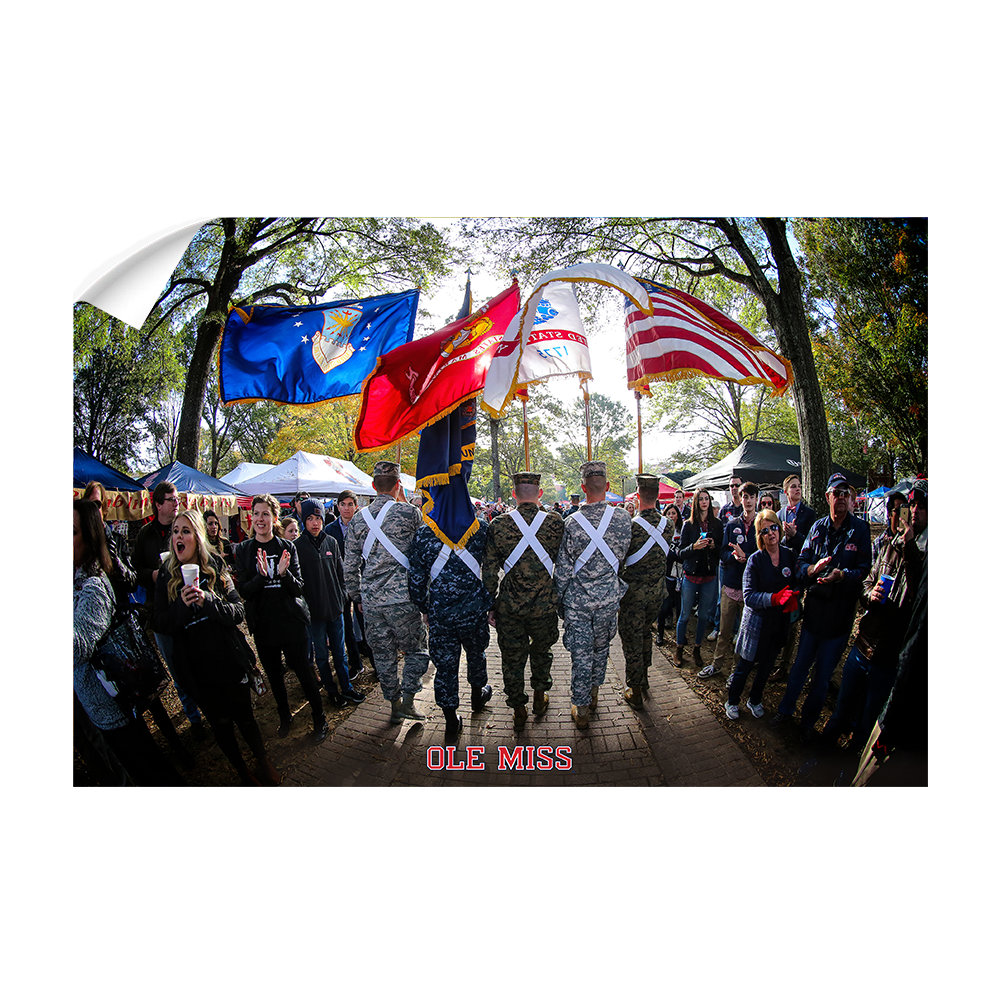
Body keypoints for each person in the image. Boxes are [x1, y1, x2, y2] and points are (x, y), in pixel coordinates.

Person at [153, 509, 281, 785]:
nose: (179, 536)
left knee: (245, 718)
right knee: (221, 726)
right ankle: (241, 771)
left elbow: (237, 612)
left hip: (228, 660)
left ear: (197, 536)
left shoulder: (215, 566)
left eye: (186, 530)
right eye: (175, 531)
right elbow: (160, 623)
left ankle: (262, 759)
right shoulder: (166, 575)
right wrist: (181, 606)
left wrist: (208, 601)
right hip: (195, 669)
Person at [73, 499, 183, 786]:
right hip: (96, 705)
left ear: (89, 537)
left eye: (70, 532)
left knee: (150, 771)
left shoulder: (93, 585)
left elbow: (78, 648)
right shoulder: (73, 580)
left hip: (114, 699)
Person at [822, 481, 927, 753]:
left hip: (888, 659)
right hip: (862, 648)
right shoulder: (887, 547)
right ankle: (821, 756)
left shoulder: (922, 556)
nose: (909, 514)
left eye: (920, 507)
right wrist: (871, 594)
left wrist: (910, 546)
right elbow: (866, 583)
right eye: (901, 509)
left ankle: (848, 772)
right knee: (841, 709)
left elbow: (917, 600)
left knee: (867, 723)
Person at [769, 473, 873, 742]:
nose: (841, 498)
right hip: (814, 614)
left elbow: (864, 570)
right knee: (800, 666)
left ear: (850, 499)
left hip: (839, 618)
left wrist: (842, 575)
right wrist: (812, 569)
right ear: (827, 497)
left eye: (845, 494)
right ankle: (786, 710)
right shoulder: (817, 528)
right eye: (835, 493)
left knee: (822, 676)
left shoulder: (860, 530)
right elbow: (802, 562)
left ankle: (808, 723)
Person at [233, 494, 328, 744]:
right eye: (256, 514)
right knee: (275, 677)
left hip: (291, 623)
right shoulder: (243, 550)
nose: (260, 519)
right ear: (250, 517)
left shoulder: (287, 547)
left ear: (274, 517)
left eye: (265, 513)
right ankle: (285, 716)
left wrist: (283, 575)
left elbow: (298, 588)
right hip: (264, 626)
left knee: (305, 674)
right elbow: (243, 590)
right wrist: (262, 577)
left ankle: (320, 720)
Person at [343, 462, 429, 725]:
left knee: (383, 655)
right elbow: (422, 554)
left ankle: (393, 706)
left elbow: (349, 566)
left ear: (372, 486)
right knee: (416, 651)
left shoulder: (358, 518)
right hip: (404, 600)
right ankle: (408, 701)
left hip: (371, 601)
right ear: (398, 485)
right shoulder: (410, 513)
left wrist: (357, 596)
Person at [482, 471, 565, 731]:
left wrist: (491, 605)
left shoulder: (498, 524)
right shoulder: (555, 523)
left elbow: (489, 570)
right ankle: (540, 698)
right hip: (544, 606)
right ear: (539, 494)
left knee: (512, 659)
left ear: (514, 494)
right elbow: (563, 566)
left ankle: (518, 709)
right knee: (542, 653)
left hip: (510, 607)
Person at [553, 461, 633, 729]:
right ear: (608, 487)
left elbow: (563, 570)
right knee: (601, 649)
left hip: (579, 602)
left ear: (583, 487)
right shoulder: (623, 519)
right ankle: (595, 694)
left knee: (581, 654)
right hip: (609, 598)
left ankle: (582, 707)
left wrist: (559, 602)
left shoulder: (572, 524)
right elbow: (622, 558)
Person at [408, 508, 492, 742]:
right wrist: (490, 602)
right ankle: (477, 695)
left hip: (441, 614)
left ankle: (451, 720)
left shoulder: (424, 534)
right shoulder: (479, 529)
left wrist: (425, 608)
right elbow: (493, 568)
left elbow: (415, 580)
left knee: (444, 667)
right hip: (474, 611)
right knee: (476, 654)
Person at [131, 481, 207, 739]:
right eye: (171, 499)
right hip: (161, 611)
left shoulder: (187, 528)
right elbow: (134, 571)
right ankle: (194, 719)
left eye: (177, 499)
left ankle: (212, 708)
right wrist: (152, 575)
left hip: (192, 606)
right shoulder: (145, 535)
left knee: (199, 659)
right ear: (158, 504)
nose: (176, 503)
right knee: (177, 668)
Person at [722, 509, 799, 720]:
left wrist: (795, 596)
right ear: (760, 536)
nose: (771, 533)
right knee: (745, 666)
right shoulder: (755, 560)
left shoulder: (789, 556)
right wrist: (773, 598)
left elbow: (797, 581)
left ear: (780, 529)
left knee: (766, 667)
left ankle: (754, 699)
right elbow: (749, 596)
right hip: (756, 625)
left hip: (778, 624)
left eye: (774, 527)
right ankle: (733, 700)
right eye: (765, 531)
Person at [294, 498, 364, 709]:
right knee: (322, 658)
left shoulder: (331, 542)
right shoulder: (296, 547)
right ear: (303, 520)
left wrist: (343, 598)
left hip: (336, 610)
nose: (315, 523)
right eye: (310, 518)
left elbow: (341, 575)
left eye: (318, 518)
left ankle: (347, 687)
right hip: (314, 615)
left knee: (340, 653)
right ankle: (332, 692)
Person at [620, 474, 670, 710]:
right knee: (646, 634)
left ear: (637, 496)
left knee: (632, 640)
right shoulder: (668, 525)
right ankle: (645, 677)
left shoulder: (630, 528)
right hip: (658, 594)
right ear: (658, 495)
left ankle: (635, 689)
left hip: (633, 597)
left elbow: (620, 562)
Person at [703, 482, 760, 679]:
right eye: (745, 497)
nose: (748, 500)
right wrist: (734, 557)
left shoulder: (762, 524)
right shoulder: (733, 524)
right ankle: (716, 664)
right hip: (730, 585)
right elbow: (723, 552)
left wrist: (748, 557)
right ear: (741, 499)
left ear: (756, 499)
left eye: (752, 497)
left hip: (751, 588)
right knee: (723, 632)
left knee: (744, 634)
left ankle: (737, 671)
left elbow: (765, 554)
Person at [773, 473, 818, 679]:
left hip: (798, 574)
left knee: (792, 620)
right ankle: (772, 656)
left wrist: (795, 536)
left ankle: (784, 665)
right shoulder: (780, 514)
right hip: (780, 574)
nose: (797, 489)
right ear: (785, 491)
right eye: (793, 486)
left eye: (799, 486)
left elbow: (812, 545)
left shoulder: (809, 515)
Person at [673, 488, 724, 670]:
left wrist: (712, 545)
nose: (704, 502)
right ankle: (679, 648)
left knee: (703, 615)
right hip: (691, 575)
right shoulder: (689, 524)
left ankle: (697, 648)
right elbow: (680, 552)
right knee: (685, 615)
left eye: (707, 499)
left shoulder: (717, 524)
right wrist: (694, 547)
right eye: (701, 499)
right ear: (696, 502)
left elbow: (721, 551)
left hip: (709, 576)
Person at [325, 489, 369, 679]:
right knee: (347, 627)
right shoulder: (330, 530)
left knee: (365, 623)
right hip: (340, 585)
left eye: (350, 504)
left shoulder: (364, 526)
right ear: (338, 506)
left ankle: (375, 663)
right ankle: (355, 664)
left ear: (356, 506)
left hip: (360, 582)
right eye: (343, 504)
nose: (346, 508)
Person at [655, 503, 684, 646]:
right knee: (664, 606)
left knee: (679, 607)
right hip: (666, 574)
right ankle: (660, 634)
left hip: (680, 575)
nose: (671, 516)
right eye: (669, 513)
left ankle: (680, 637)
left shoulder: (683, 530)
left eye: (674, 513)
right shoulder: (661, 531)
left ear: (678, 515)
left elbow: (685, 553)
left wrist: (676, 554)